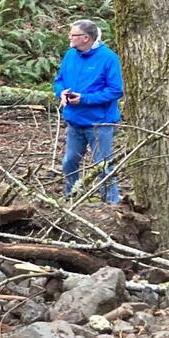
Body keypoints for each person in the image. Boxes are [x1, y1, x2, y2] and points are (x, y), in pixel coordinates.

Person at [53, 19, 124, 204]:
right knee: (69, 163)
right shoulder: (70, 55)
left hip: (99, 123)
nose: (69, 37)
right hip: (74, 121)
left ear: (85, 38)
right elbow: (59, 80)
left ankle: (111, 203)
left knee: (103, 165)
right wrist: (61, 92)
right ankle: (72, 198)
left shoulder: (108, 58)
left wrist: (84, 99)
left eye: (73, 35)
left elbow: (116, 90)